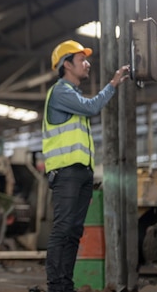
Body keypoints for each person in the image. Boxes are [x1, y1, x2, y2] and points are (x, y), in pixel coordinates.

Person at [43, 40, 130, 292]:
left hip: (80, 172)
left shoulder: (72, 95)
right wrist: (112, 85)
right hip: (67, 172)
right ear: (66, 64)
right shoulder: (61, 92)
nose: (87, 64)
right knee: (63, 230)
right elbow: (92, 107)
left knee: (73, 232)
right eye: (82, 60)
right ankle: (57, 286)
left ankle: (65, 285)